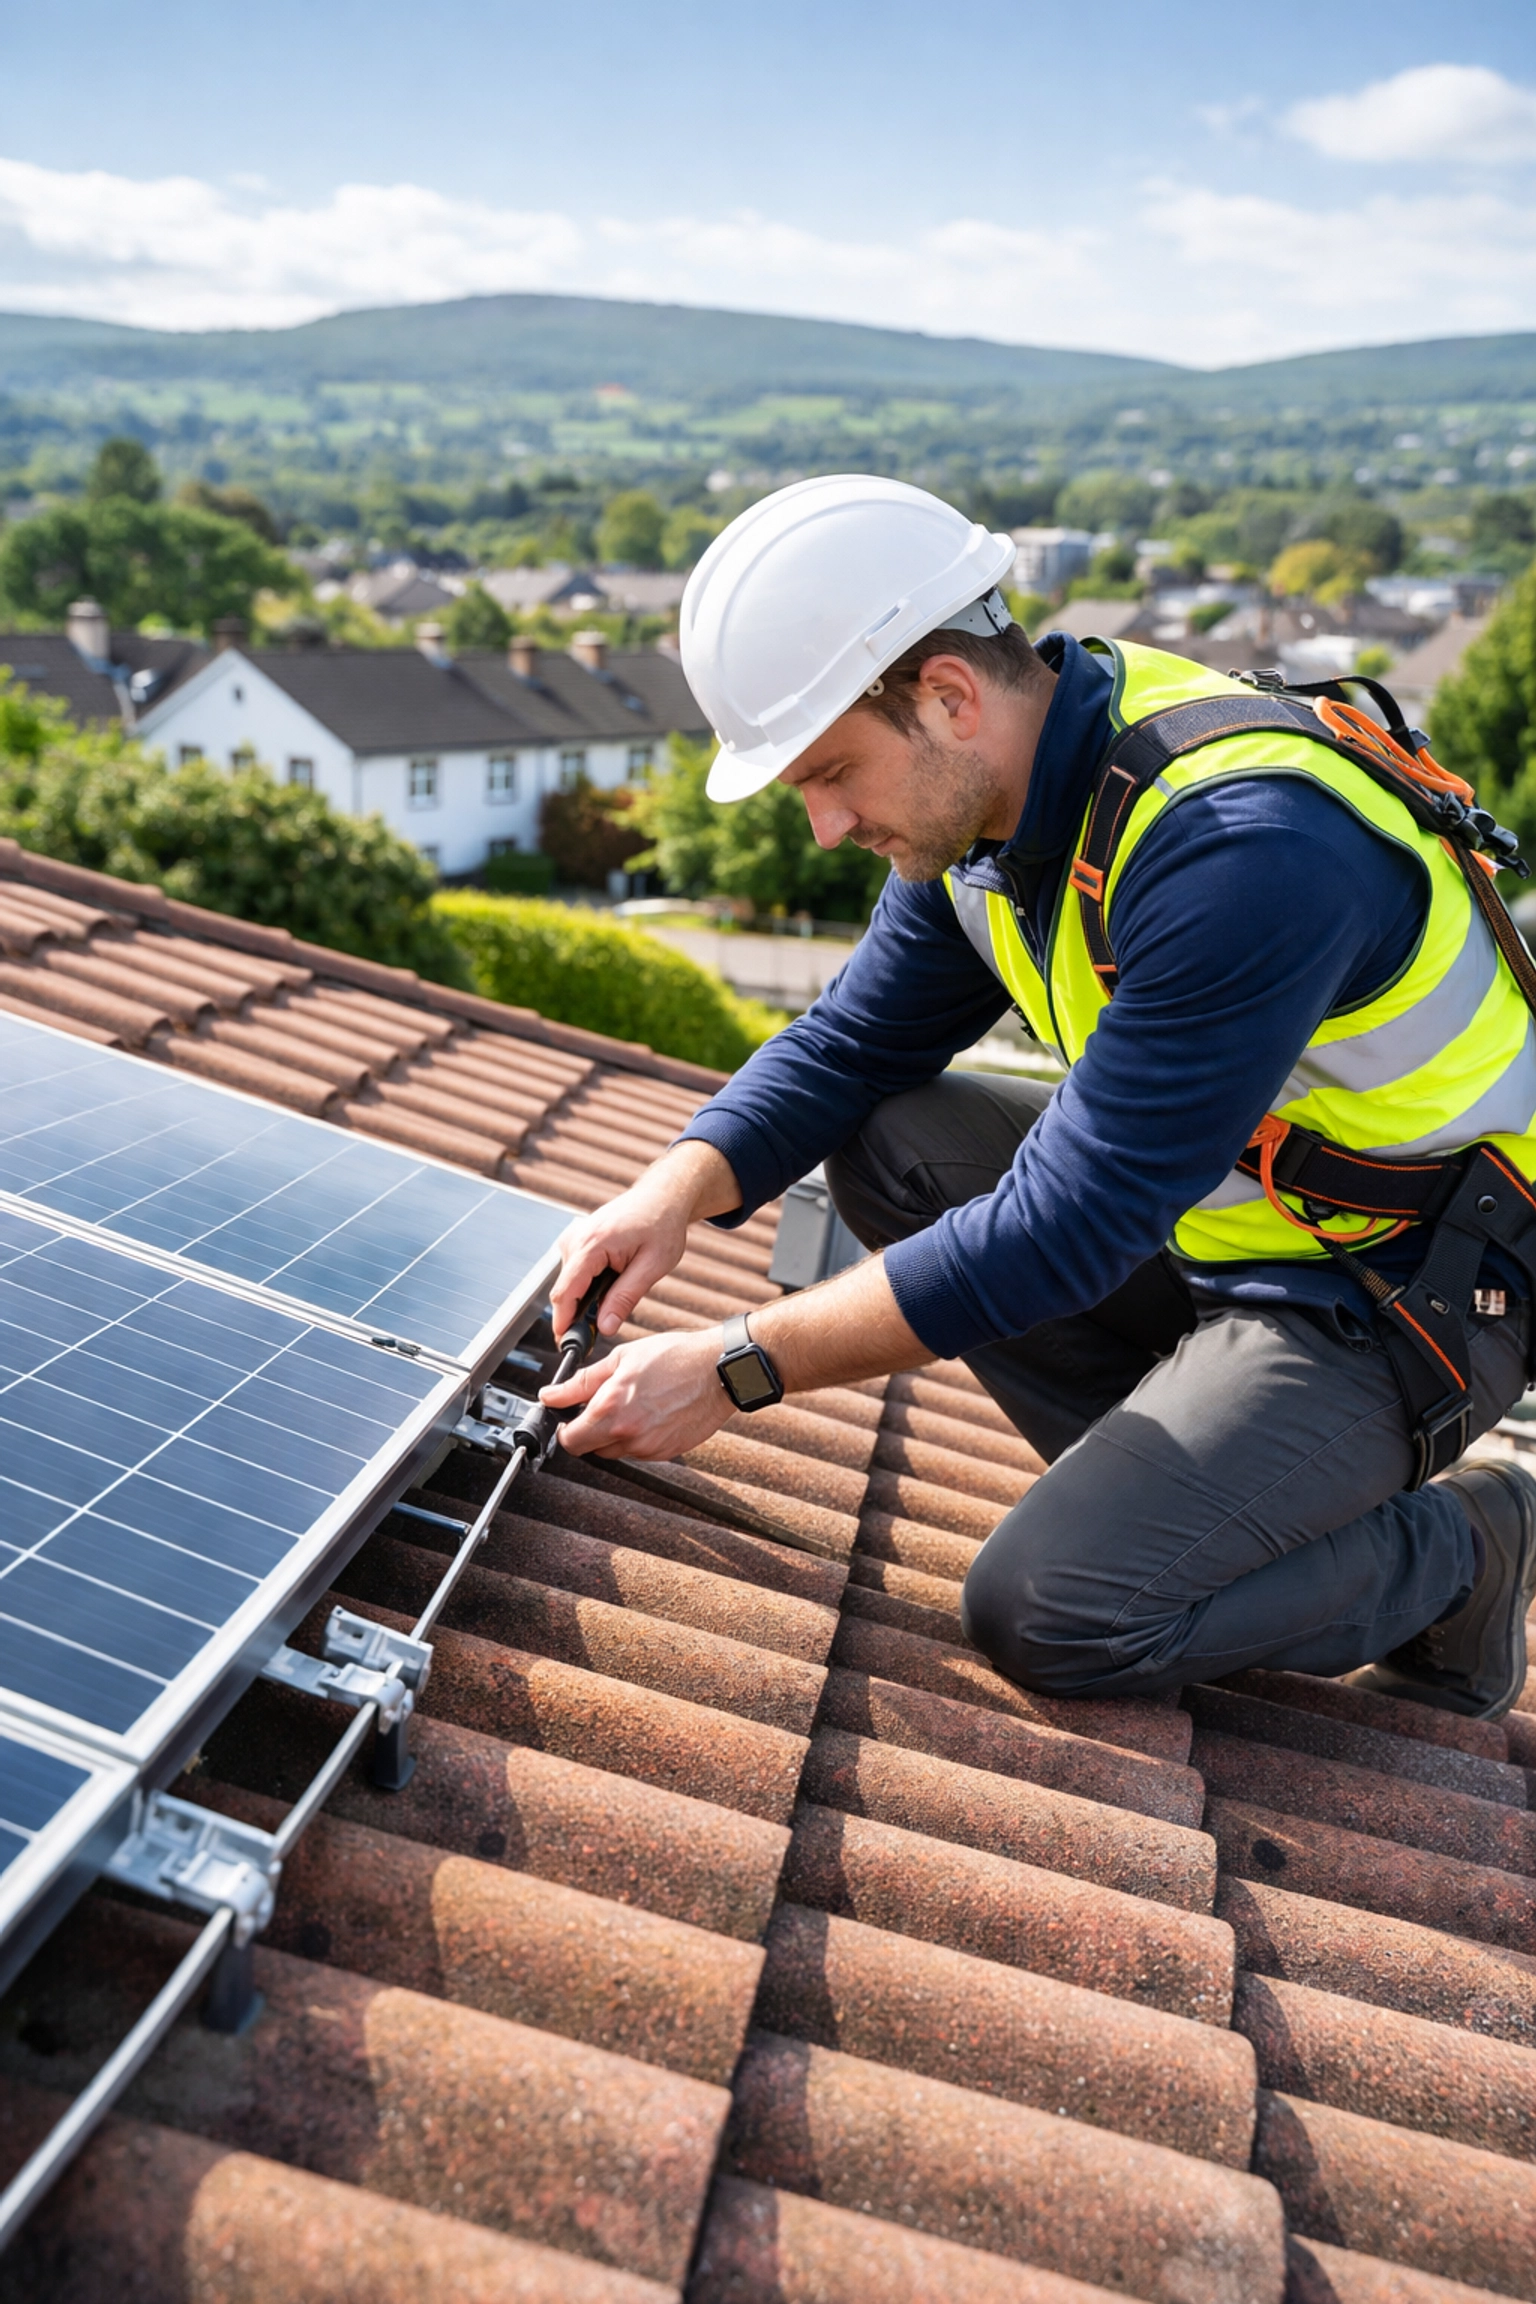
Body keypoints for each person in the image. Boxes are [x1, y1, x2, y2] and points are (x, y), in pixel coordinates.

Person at [541, 474, 1536, 1720]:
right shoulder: (997, 810)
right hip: (1226, 1236)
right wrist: (667, 1194)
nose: (824, 824)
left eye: (832, 771)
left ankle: (1461, 1553)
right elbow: (853, 1042)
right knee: (897, 1142)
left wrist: (740, 1368)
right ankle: (1205, 1486)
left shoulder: (1241, 845)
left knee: (1058, 1610)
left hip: (1397, 1288)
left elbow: (1068, 1229)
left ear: (950, 696)